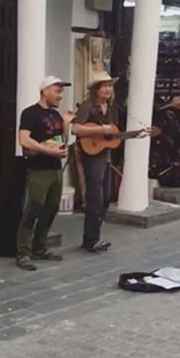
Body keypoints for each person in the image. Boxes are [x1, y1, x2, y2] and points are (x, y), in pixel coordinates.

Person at [16, 76, 74, 271]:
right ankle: (23, 253)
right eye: (57, 91)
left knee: (51, 208)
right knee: (33, 209)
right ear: (45, 90)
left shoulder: (56, 115)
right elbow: (23, 140)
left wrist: (65, 124)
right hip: (38, 168)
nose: (61, 95)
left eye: (61, 91)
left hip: (56, 168)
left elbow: (62, 139)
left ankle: (39, 248)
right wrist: (48, 151)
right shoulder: (30, 113)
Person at [72, 71, 119, 253]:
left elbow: (112, 134)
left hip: (105, 156)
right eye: (104, 86)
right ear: (96, 89)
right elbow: (76, 128)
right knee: (95, 198)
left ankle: (94, 235)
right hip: (92, 157)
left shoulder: (112, 109)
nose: (108, 89)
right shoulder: (88, 106)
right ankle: (91, 239)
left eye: (110, 85)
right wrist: (101, 129)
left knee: (106, 197)